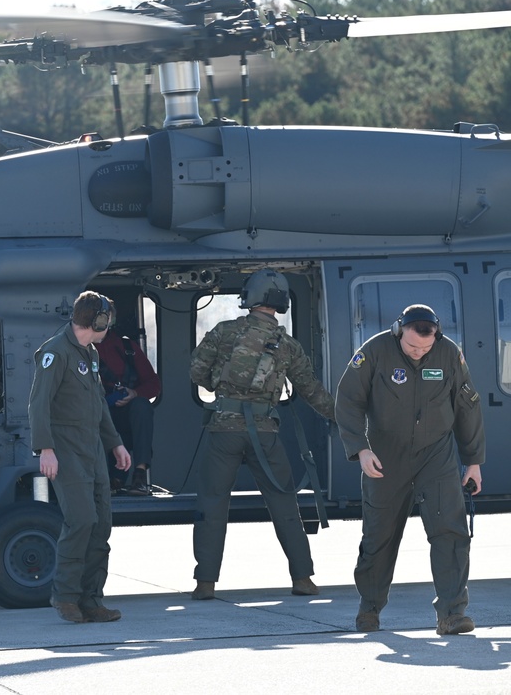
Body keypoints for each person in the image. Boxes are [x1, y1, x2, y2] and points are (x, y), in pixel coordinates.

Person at [335, 304, 484, 635]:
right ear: (399, 331)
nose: (419, 353)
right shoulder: (374, 351)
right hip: (386, 457)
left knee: (451, 531)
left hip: (437, 455)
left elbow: (467, 406)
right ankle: (369, 609)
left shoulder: (448, 354)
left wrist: (473, 461)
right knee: (380, 535)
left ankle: (452, 613)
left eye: (426, 348)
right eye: (413, 346)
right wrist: (360, 449)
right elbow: (348, 400)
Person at [189, 269, 335, 601]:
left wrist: (217, 384)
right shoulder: (289, 346)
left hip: (223, 432)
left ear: (250, 297)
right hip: (266, 434)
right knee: (284, 504)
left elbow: (197, 371)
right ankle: (302, 578)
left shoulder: (224, 331)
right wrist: (344, 417)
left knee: (212, 506)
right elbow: (311, 391)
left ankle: (205, 583)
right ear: (281, 302)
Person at [29, 291, 132, 623]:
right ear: (98, 321)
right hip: (66, 449)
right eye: (107, 321)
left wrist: (115, 444)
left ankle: (91, 599)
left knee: (101, 524)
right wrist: (46, 449)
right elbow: (38, 404)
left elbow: (98, 404)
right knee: (81, 520)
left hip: (92, 449)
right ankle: (66, 596)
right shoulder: (55, 353)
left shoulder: (90, 354)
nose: (109, 327)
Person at [95, 325, 161, 495]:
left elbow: (154, 384)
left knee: (142, 407)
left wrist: (134, 393)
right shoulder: (81, 348)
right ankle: (107, 479)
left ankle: (139, 475)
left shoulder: (127, 347)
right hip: (97, 409)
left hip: (126, 410)